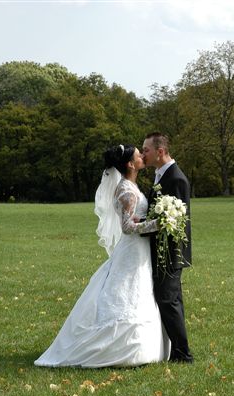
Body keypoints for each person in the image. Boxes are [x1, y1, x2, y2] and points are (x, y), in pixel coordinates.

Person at [34, 145, 169, 367]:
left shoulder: (130, 186)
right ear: (130, 164)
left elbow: (133, 220)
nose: (142, 156)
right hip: (133, 249)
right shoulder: (126, 190)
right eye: (138, 155)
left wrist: (146, 221)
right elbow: (127, 227)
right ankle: (117, 347)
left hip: (138, 249)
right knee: (128, 290)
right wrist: (158, 224)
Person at [142, 132, 194, 363]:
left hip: (170, 251)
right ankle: (177, 351)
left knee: (168, 301)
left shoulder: (176, 179)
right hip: (161, 250)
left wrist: (141, 228)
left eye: (146, 150)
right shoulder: (160, 175)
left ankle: (183, 354)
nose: (143, 154)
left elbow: (176, 221)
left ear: (160, 152)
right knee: (171, 300)